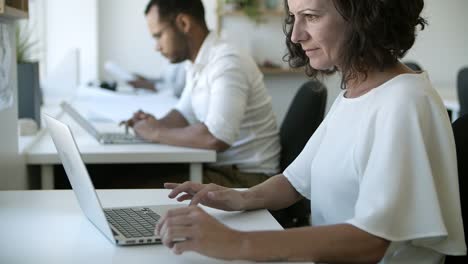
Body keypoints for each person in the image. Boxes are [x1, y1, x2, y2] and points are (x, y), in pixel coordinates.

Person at [154, 0, 467, 262]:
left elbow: (372, 241)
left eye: (311, 17)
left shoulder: (406, 101)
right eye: (293, 18)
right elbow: (294, 181)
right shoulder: (355, 92)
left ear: (363, 16)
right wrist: (238, 198)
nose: (296, 35)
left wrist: (236, 243)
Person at [125, 0, 281, 187]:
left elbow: (216, 137)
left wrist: (156, 132)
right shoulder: (198, 63)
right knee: (127, 175)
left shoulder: (227, 62)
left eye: (158, 36)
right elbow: (183, 114)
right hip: (221, 169)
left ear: (184, 23)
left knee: (130, 183)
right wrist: (152, 124)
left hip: (249, 179)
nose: (156, 47)